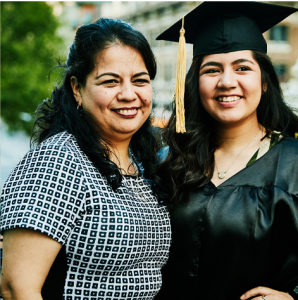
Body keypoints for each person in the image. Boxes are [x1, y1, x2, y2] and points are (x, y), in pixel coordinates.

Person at [0, 18, 171, 300]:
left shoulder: (142, 163)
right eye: (110, 81)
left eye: (140, 80)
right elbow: (16, 288)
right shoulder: (58, 160)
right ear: (77, 88)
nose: (129, 94)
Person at [154, 2, 298, 300]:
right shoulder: (169, 161)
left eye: (243, 68)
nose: (227, 82)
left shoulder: (295, 165)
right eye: (212, 70)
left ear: (266, 81)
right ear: (195, 83)